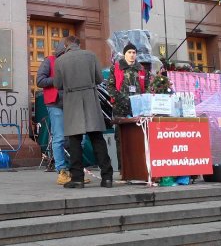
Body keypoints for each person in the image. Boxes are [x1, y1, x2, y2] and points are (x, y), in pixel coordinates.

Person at [53, 36, 113, 189]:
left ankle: (77, 179)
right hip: (90, 100)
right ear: (79, 44)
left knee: (74, 142)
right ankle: (107, 178)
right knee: (97, 140)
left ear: (66, 45)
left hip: (72, 101)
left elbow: (58, 84)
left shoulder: (60, 61)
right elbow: (99, 79)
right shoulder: (91, 55)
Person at [36, 41, 70, 185]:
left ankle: (74, 170)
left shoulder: (71, 61)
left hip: (70, 103)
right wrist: (57, 80)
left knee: (75, 138)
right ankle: (61, 170)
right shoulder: (49, 61)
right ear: (61, 52)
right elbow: (39, 80)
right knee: (59, 137)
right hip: (55, 103)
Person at [108, 42, 151, 117]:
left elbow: (147, 86)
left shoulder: (142, 69)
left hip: (138, 107)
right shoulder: (116, 68)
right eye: (129, 52)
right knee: (121, 128)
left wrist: (143, 100)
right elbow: (110, 86)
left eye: (134, 52)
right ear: (125, 54)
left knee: (137, 128)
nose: (132, 55)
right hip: (120, 107)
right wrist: (119, 99)